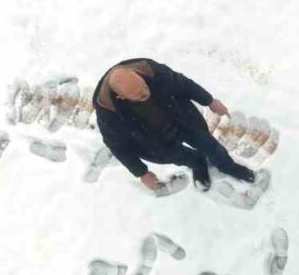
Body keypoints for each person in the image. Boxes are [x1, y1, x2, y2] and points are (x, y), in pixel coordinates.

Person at [93, 57, 256, 191]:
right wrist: (141, 173)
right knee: (181, 156)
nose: (146, 93)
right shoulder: (108, 113)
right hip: (153, 140)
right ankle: (198, 164)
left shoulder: (150, 70)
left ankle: (227, 166)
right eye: (139, 95)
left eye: (144, 86)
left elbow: (183, 84)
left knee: (209, 144)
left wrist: (210, 101)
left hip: (180, 117)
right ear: (121, 97)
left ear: (137, 75)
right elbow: (117, 146)